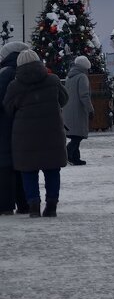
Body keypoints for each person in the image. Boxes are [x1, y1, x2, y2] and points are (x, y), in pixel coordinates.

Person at [3, 49, 68, 218]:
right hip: (51, 134)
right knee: (52, 170)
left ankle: (33, 206)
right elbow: (64, 99)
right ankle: (52, 205)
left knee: (28, 172)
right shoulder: (52, 80)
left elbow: (8, 108)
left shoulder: (14, 85)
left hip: (25, 138)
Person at [0, 42, 33, 215]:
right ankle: (24, 203)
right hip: (20, 124)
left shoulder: (6, 73)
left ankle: (5, 205)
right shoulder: (23, 72)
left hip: (5, 125)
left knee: (5, 166)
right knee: (21, 165)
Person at [62, 55, 94, 165]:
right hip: (78, 110)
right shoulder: (82, 77)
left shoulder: (69, 76)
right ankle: (67, 154)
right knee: (78, 135)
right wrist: (90, 109)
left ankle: (75, 157)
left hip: (69, 109)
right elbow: (84, 95)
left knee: (75, 134)